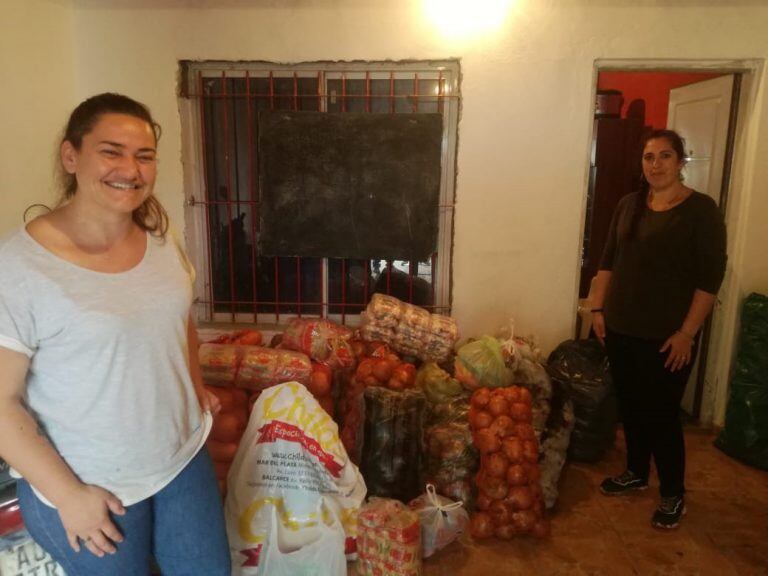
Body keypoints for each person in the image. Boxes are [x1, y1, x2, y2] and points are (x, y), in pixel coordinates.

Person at [0, 93, 231, 574]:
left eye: (144, 156)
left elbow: (177, 318)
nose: (131, 168)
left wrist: (194, 386)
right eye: (111, 151)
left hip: (180, 459)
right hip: (89, 483)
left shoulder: (162, 240)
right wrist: (69, 496)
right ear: (71, 156)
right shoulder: (21, 268)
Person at [590, 128, 727, 530]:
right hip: (620, 327)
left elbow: (709, 280)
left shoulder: (700, 211)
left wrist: (687, 332)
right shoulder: (629, 205)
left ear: (681, 162)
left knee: (662, 414)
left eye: (665, 156)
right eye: (649, 157)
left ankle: (672, 493)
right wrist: (597, 309)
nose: (656, 164)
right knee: (630, 407)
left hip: (668, 338)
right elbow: (607, 261)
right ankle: (635, 471)